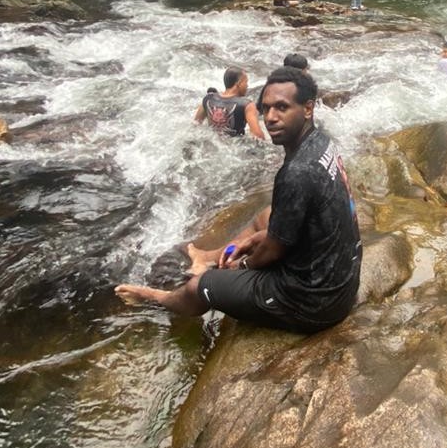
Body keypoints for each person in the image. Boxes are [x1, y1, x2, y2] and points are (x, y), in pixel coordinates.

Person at [116, 66, 363, 334]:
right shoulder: (322, 142)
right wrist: (263, 238)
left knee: (199, 287)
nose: (271, 117)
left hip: (311, 303)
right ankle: (208, 257)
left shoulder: (296, 173)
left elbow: (272, 252)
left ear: (307, 108)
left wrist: (240, 267)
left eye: (282, 107)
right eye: (266, 108)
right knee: (266, 216)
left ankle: (157, 298)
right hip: (342, 279)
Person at [194, 67, 264, 139]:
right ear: (239, 83)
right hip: (236, 147)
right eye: (246, 82)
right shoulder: (247, 105)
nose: (247, 85)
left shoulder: (208, 99)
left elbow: (195, 124)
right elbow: (258, 136)